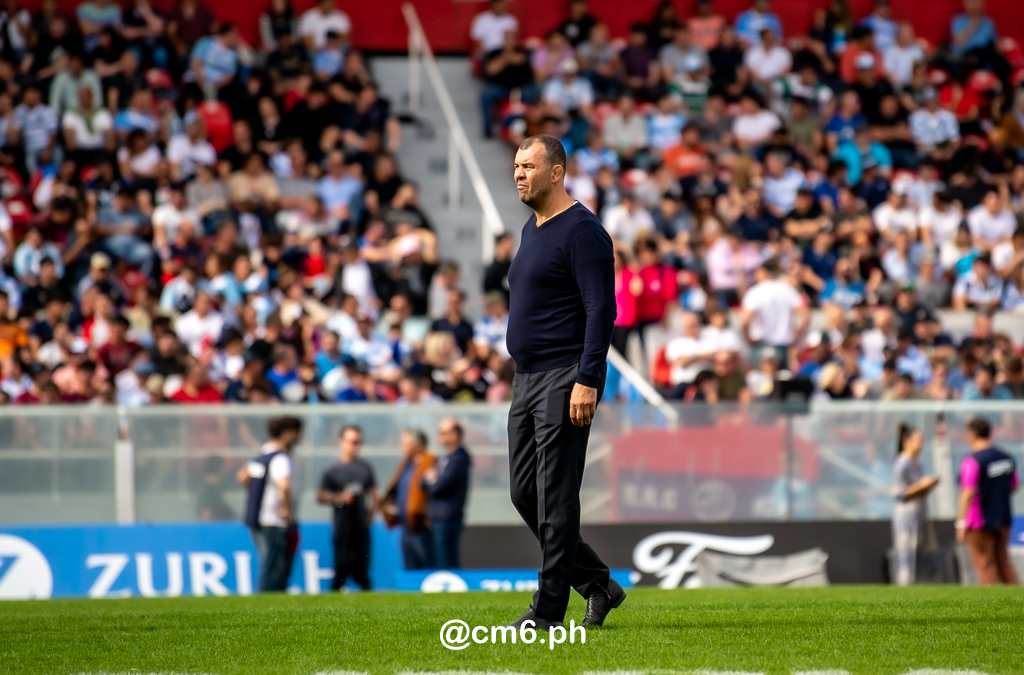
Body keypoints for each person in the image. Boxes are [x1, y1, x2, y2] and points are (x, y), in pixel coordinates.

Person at [506, 134, 624, 630]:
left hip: (563, 377)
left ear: (556, 171)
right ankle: (596, 582)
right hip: (526, 378)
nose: (518, 173)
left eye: (528, 165)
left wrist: (588, 379)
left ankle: (548, 613)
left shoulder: (583, 231)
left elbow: (603, 309)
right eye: (516, 165)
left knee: (555, 498)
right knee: (524, 494)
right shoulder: (532, 228)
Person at [238, 416, 303, 592]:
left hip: (259, 518)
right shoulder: (280, 458)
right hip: (275, 521)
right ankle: (269, 605)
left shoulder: (262, 456)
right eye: (297, 433)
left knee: (269, 562)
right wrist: (287, 510)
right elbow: (284, 485)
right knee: (275, 568)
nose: (300, 437)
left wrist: (259, 494)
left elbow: (243, 476)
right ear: (286, 433)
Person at [957, 417, 1020, 585]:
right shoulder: (1006, 457)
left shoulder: (973, 460)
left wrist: (961, 522)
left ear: (972, 434)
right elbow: (1014, 486)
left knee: (985, 565)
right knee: (1004, 563)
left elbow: (968, 491)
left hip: (979, 520)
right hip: (1003, 517)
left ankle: (990, 606)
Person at [317, 424, 377, 591]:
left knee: (363, 571)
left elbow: (374, 494)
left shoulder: (365, 467)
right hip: (342, 526)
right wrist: (339, 498)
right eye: (352, 441)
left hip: (360, 525)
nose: (355, 446)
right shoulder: (332, 469)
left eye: (358, 442)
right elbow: (320, 495)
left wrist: (371, 514)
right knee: (341, 568)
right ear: (341, 442)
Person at [891, 424, 940, 586]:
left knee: (922, 553)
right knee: (907, 553)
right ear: (907, 441)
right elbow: (898, 493)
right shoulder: (902, 463)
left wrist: (928, 486)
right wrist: (922, 485)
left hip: (920, 511)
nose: (921, 445)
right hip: (907, 514)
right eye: (918, 441)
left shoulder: (917, 463)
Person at [384, 429, 436, 569]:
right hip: (406, 528)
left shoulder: (431, 463)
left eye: (405, 444)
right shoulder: (405, 466)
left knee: (427, 570)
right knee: (410, 572)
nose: (402, 447)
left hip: (423, 529)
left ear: (417, 445)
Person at [423, 417, 472, 569]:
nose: (440, 436)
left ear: (455, 435)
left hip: (447, 518)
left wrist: (432, 480)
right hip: (439, 517)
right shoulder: (444, 458)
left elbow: (438, 486)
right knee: (440, 560)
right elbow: (423, 481)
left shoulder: (459, 459)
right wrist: (431, 480)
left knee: (446, 563)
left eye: (443, 433)